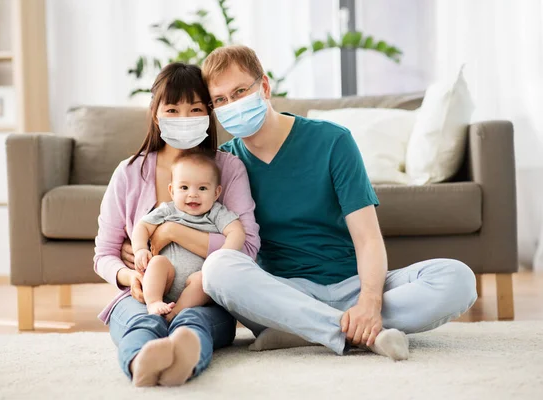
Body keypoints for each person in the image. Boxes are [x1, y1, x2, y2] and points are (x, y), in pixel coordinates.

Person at [197, 45, 478, 359]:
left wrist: (369, 303)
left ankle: (303, 331)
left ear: (264, 86)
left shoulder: (332, 141)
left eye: (239, 92)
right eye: (220, 100)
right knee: (218, 269)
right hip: (284, 293)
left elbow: (368, 237)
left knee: (458, 278)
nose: (231, 105)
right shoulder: (224, 163)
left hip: (352, 285)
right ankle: (352, 332)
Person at [94, 62, 260, 387]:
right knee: (142, 323)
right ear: (155, 113)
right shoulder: (129, 173)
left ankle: (183, 361)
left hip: (204, 296)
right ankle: (140, 361)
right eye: (172, 109)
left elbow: (248, 250)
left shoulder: (229, 169)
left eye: (195, 109)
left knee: (192, 322)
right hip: (141, 294)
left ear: (209, 113)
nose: (184, 119)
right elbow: (104, 254)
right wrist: (132, 276)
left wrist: (172, 232)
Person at [131, 151, 246, 321]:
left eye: (202, 188)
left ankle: (176, 311)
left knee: (204, 279)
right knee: (158, 262)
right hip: (167, 278)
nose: (193, 194)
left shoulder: (216, 213)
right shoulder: (168, 210)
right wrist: (140, 249)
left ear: (216, 193)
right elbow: (142, 227)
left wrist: (223, 258)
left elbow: (237, 232)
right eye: (184, 188)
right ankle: (154, 302)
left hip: (195, 283)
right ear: (172, 190)